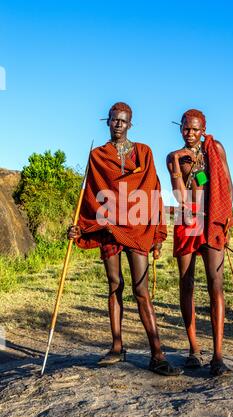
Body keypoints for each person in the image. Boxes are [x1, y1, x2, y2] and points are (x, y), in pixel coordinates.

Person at [68, 102, 182, 376]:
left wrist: (157, 232)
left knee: (141, 291)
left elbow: (153, 190)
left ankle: (157, 354)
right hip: (108, 227)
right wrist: (80, 228)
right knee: (114, 284)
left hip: (138, 227)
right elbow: (91, 197)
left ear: (130, 124)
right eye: (114, 120)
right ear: (107, 122)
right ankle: (117, 347)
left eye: (123, 121)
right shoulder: (97, 155)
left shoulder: (143, 152)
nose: (118, 124)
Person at [166, 109, 233, 376]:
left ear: (203, 128)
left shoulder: (215, 149)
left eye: (195, 129)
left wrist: (226, 217)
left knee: (215, 284)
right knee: (186, 283)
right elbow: (181, 197)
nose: (190, 133)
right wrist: (174, 163)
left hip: (213, 220)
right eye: (185, 128)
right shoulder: (174, 157)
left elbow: (227, 185)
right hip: (187, 221)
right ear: (180, 128)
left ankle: (218, 356)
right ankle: (194, 350)